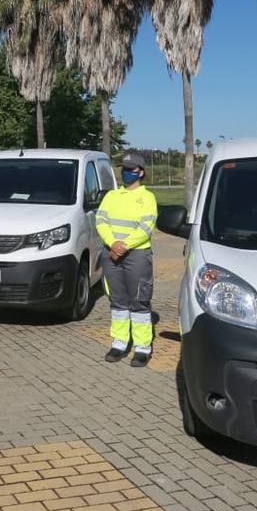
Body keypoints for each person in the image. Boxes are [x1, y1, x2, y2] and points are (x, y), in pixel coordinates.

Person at [96, 152, 159, 366]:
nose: (125, 173)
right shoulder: (111, 196)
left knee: (139, 300)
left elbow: (146, 226)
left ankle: (142, 347)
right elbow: (101, 220)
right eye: (123, 169)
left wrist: (124, 246)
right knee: (117, 300)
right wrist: (112, 243)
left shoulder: (147, 197)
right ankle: (119, 343)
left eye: (130, 169)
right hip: (111, 253)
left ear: (140, 172)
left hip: (137, 254)